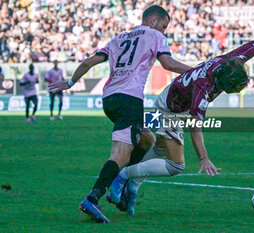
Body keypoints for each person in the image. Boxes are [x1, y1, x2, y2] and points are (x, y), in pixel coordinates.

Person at [108, 22, 254, 216]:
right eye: (237, 88)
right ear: (225, 84)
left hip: (175, 97)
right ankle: (124, 176)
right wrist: (203, 158)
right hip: (171, 109)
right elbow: (195, 127)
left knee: (162, 149)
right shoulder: (204, 89)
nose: (238, 90)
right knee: (176, 166)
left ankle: (132, 187)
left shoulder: (235, 60)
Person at [49, 5, 192, 223]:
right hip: (129, 100)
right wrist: (196, 70)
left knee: (147, 139)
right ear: (154, 21)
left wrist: (70, 82)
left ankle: (122, 187)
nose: (164, 32)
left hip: (110, 99)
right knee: (120, 154)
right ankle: (92, 198)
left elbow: (89, 62)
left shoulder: (119, 38)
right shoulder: (155, 36)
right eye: (163, 26)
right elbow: (167, 63)